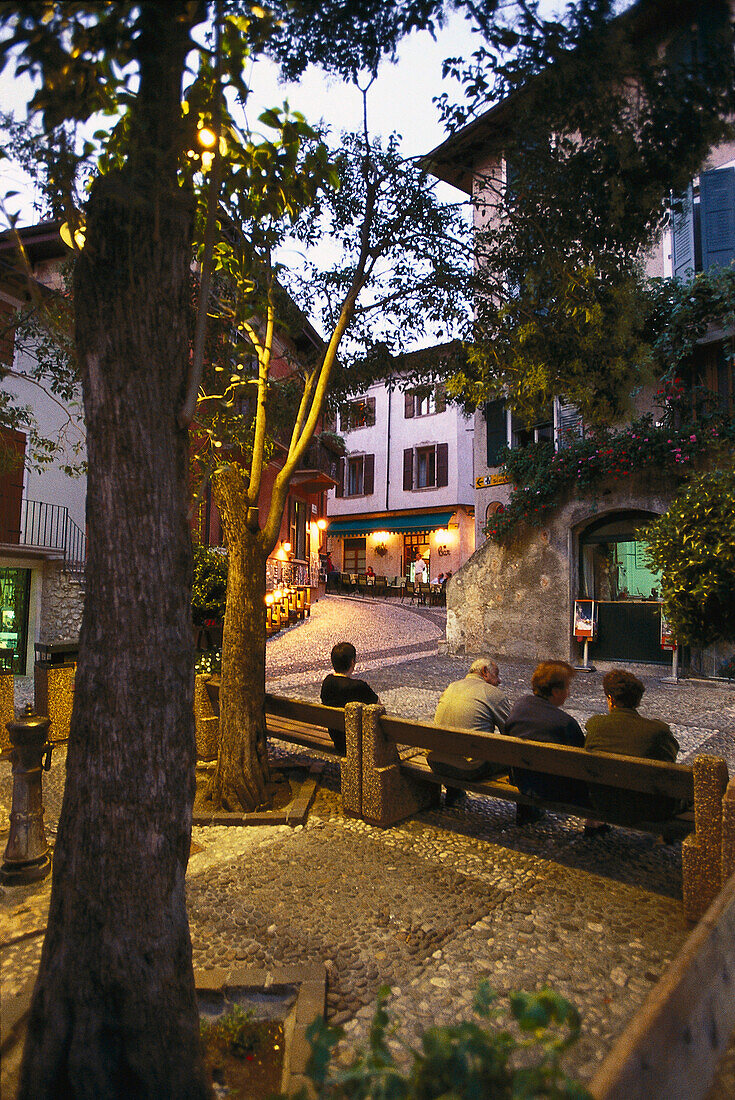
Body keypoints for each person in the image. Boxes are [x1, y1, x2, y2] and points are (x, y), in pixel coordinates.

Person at [584, 669, 680, 823]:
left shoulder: (595, 725)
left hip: (603, 802)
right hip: (649, 807)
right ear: (638, 701)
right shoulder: (657, 730)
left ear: (610, 699)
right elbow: (669, 758)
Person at [505, 660, 589, 825]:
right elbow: (583, 762)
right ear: (556, 692)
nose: (569, 693)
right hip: (554, 788)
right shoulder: (565, 723)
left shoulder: (519, 706)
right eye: (567, 688)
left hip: (523, 781)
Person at [428, 658, 510, 805]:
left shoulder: (451, 687)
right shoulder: (491, 693)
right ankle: (528, 810)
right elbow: (511, 734)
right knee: (517, 754)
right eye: (496, 674)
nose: (499, 681)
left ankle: (454, 792)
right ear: (485, 671)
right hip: (469, 768)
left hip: (437, 761)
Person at [320, 641, 379, 753]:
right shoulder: (359, 687)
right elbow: (379, 708)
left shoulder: (327, 683)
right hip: (359, 742)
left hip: (338, 739)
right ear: (352, 662)